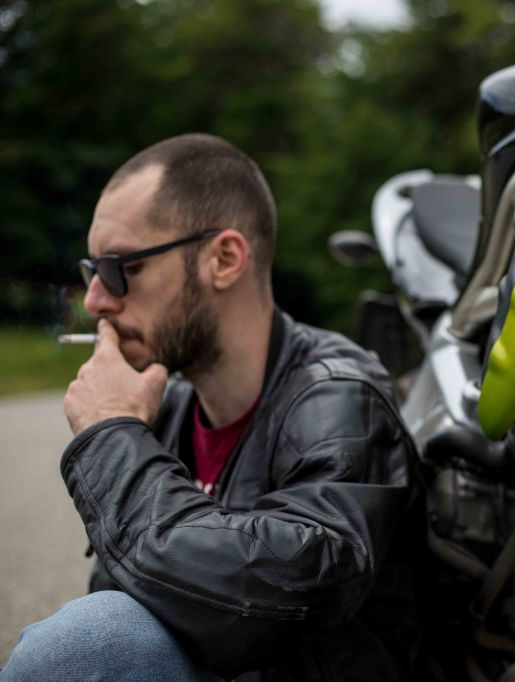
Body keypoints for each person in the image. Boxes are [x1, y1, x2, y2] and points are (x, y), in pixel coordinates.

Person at [2, 134, 421, 681]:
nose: (96, 300)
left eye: (120, 267)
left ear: (224, 259)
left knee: (88, 645)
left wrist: (111, 434)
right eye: (92, 271)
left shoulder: (340, 397)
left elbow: (287, 592)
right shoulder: (168, 408)